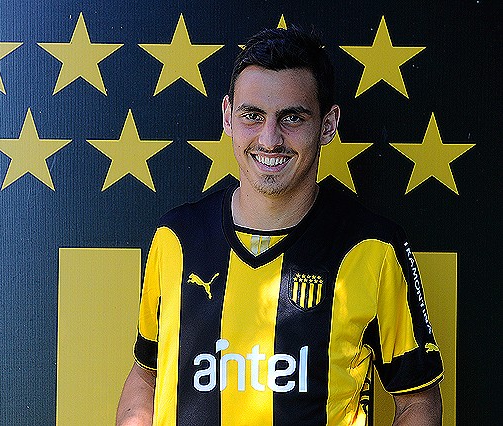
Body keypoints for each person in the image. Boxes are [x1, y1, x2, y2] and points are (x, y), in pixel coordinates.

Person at [116, 26, 443, 425]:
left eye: (291, 118)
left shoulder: (373, 246)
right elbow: (146, 373)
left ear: (327, 125)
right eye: (253, 116)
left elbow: (417, 399)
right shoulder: (175, 238)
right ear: (227, 117)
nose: (270, 139)